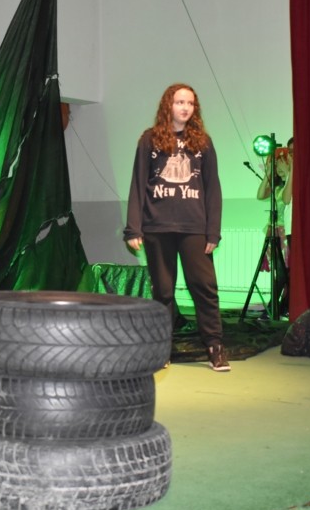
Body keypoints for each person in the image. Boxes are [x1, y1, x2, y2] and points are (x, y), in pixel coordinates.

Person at [124, 83, 229, 372]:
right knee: (163, 291)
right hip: (157, 228)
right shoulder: (149, 139)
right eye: (180, 102)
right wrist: (133, 228)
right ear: (168, 105)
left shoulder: (203, 142)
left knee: (204, 287)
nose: (185, 108)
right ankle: (162, 349)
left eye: (190, 103)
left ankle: (215, 346)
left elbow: (213, 188)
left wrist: (213, 231)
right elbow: (138, 184)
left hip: (194, 228)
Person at [255, 138, 293, 318]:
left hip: (286, 233)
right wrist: (268, 173)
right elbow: (260, 195)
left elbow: (286, 199)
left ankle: (275, 307)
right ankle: (278, 307)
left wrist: (290, 173)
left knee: (285, 272)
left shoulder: (291, 184)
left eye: (281, 164)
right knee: (280, 271)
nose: (279, 167)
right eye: (276, 165)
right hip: (274, 232)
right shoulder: (277, 186)